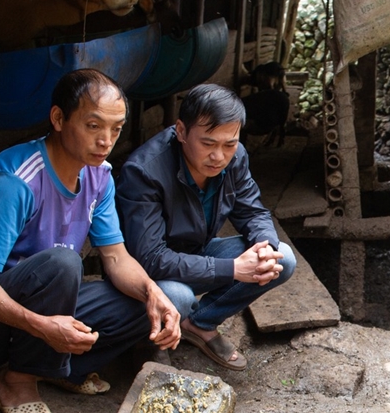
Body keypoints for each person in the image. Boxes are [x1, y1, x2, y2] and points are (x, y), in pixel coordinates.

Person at [0, 69, 180, 413]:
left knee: (170, 300)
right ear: (59, 119)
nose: (106, 141)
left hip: (46, 305)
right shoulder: (17, 181)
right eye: (93, 125)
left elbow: (115, 257)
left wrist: (151, 292)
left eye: (116, 129)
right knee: (63, 265)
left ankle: (54, 366)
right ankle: (17, 383)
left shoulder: (99, 177)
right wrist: (40, 325)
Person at [117, 83, 296, 372]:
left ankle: (198, 323)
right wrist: (233, 269)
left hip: (197, 254)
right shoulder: (144, 172)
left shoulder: (234, 157)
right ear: (181, 131)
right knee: (177, 297)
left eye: (229, 144)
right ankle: (147, 340)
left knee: (282, 259)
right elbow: (150, 258)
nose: (219, 156)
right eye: (208, 144)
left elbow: (252, 210)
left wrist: (266, 247)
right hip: (147, 275)